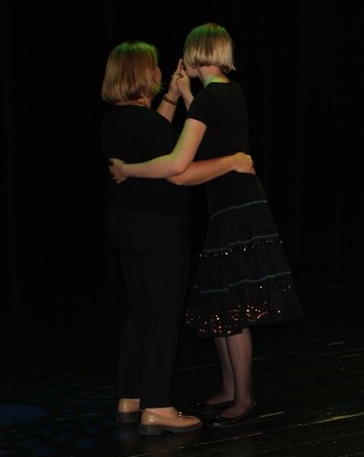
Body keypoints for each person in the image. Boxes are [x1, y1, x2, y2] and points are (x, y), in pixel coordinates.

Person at [109, 23, 305, 428]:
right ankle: (231, 389)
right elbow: (211, 128)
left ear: (194, 55)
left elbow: (178, 168)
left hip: (233, 208)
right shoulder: (229, 92)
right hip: (236, 205)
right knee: (223, 302)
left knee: (231, 304)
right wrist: (184, 96)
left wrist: (128, 169)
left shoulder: (207, 102)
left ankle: (243, 397)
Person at [101, 40, 256, 436]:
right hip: (158, 231)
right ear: (141, 74)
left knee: (140, 310)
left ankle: (129, 398)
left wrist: (170, 98)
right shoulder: (148, 123)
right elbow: (180, 173)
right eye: (154, 65)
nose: (159, 71)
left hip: (124, 225)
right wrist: (232, 161)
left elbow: (154, 140)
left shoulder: (116, 119)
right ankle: (157, 406)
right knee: (164, 316)